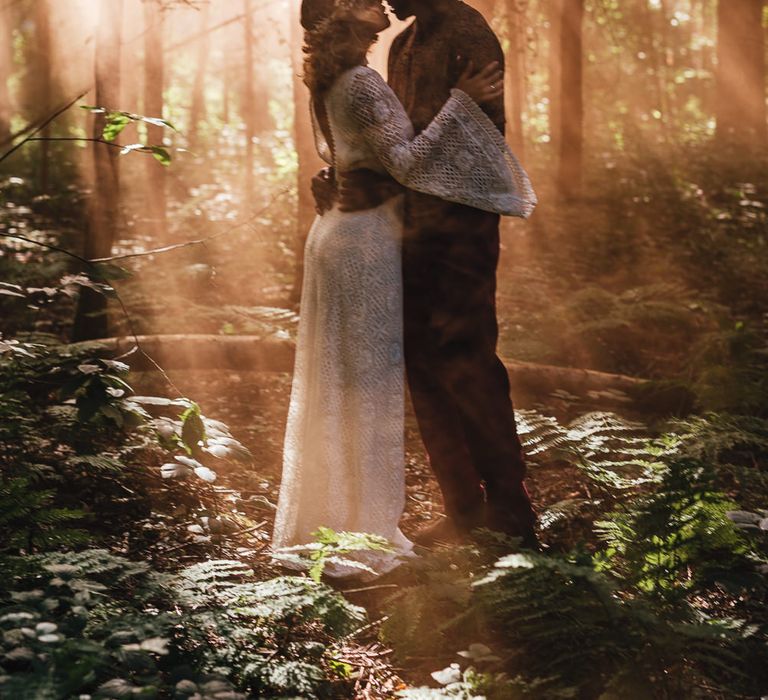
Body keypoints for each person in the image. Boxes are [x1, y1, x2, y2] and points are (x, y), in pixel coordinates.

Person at [271, 0, 536, 578]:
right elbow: (387, 138)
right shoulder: (402, 44)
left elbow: (480, 145)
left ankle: (510, 513)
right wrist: (346, 174)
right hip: (402, 233)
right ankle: (463, 508)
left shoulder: (465, 31)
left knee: (467, 361)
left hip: (458, 233)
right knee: (421, 368)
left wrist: (370, 175)